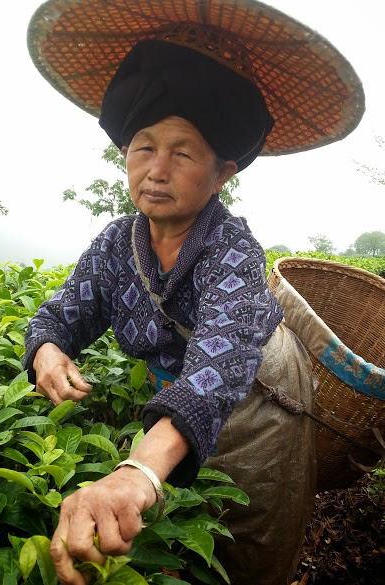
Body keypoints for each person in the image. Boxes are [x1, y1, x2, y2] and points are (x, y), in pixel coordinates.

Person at [25, 2, 365, 584]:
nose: (156, 169)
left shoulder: (230, 247)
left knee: (247, 542)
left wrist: (137, 471)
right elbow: (63, 312)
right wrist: (46, 349)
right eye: (143, 147)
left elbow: (219, 364)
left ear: (221, 172)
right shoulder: (115, 245)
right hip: (173, 413)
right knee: (178, 539)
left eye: (183, 152)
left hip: (261, 408)